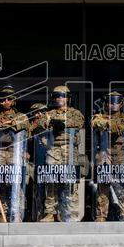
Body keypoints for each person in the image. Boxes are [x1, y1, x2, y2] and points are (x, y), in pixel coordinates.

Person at [38, 85, 84, 222]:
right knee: (51, 182)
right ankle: (50, 213)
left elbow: (79, 122)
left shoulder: (75, 112)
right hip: (53, 150)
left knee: (70, 184)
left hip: (70, 151)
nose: (59, 98)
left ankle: (70, 213)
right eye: (57, 96)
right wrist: (51, 122)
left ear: (68, 98)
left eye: (62, 96)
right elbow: (41, 123)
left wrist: (60, 123)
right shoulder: (49, 113)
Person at [91, 91, 124, 222]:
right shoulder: (100, 116)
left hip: (122, 155)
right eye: (110, 102)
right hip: (105, 154)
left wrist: (117, 124)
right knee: (103, 185)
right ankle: (101, 214)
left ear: (121, 103)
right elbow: (95, 123)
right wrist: (113, 125)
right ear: (106, 103)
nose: (113, 104)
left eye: (116, 101)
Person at [0, 85, 29, 222]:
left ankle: (16, 212)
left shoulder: (20, 116)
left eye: (9, 99)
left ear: (14, 101)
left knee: (15, 182)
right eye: (3, 99)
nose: (6, 101)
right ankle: (0, 213)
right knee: (0, 183)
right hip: (0, 151)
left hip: (15, 151)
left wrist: (9, 123)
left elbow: (24, 124)